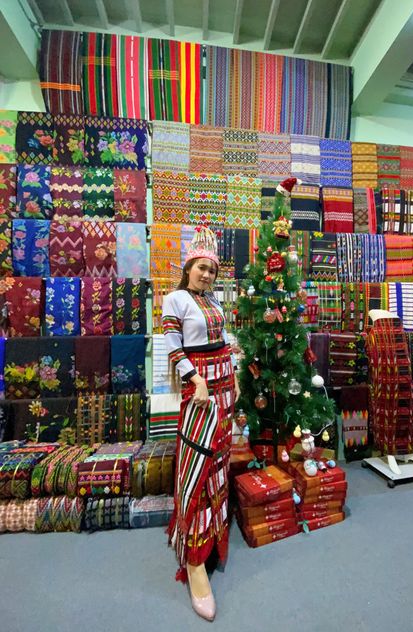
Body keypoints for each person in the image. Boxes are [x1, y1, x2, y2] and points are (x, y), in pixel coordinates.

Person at [162, 225, 240, 622]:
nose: (207, 275)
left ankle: (214, 535)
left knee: (219, 463)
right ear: (188, 266)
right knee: (198, 464)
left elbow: (223, 341)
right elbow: (173, 346)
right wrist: (196, 380)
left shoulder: (214, 303)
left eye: (212, 269)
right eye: (201, 268)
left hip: (225, 388)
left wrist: (236, 377)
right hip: (202, 392)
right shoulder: (174, 298)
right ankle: (194, 560)